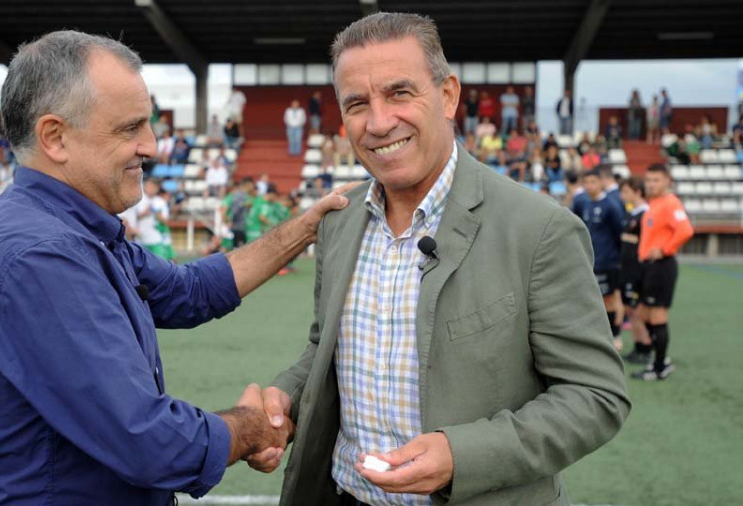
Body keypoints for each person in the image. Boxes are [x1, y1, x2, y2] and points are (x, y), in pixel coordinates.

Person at [0, 30, 354, 504]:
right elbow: (148, 441)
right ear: (55, 137)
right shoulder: (42, 253)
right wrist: (250, 428)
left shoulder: (76, 229)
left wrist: (304, 229)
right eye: (129, 128)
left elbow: (190, 290)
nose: (153, 146)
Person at [247, 13, 629, 506]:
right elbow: (326, 349)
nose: (380, 122)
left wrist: (461, 456)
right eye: (358, 103)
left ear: (448, 95)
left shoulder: (538, 229)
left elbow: (596, 397)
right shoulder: (339, 223)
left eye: (400, 93)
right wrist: (286, 398)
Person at [632, 163, 694, 381]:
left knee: (657, 315)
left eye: (656, 180)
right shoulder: (655, 203)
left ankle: (659, 367)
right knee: (642, 314)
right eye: (648, 180)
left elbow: (686, 230)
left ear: (667, 181)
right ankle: (660, 359)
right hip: (649, 266)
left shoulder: (670, 202)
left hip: (662, 266)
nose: (651, 184)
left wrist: (665, 249)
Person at [579, 168, 626, 350]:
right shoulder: (584, 204)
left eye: (593, 182)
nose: (589, 186)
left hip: (608, 262)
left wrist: (617, 258)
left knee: (611, 299)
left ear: (601, 183)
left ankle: (615, 335)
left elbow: (619, 234)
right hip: (591, 260)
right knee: (593, 299)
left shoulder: (610, 206)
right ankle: (599, 334)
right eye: (586, 182)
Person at [618, 176, 652, 364]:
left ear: (637, 192)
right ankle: (639, 346)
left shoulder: (646, 214)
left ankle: (646, 348)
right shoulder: (631, 213)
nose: (622, 196)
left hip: (639, 270)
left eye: (626, 192)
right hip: (628, 269)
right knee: (631, 310)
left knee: (638, 310)